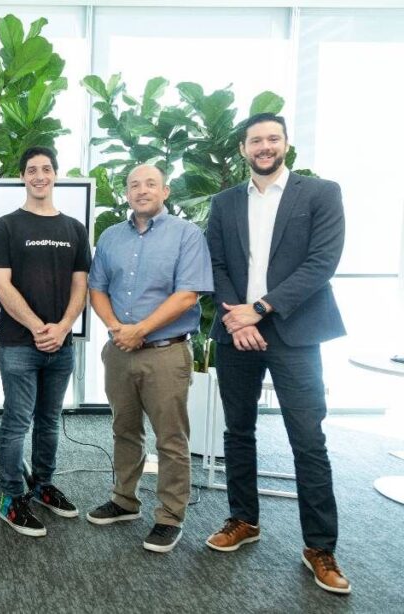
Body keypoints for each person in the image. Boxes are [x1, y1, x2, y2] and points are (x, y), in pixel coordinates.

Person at [205, 112, 351, 594]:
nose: (264, 147)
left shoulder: (320, 193)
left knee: (307, 439)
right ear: (243, 149)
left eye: (272, 139)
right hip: (236, 333)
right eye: (255, 141)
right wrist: (236, 316)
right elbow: (216, 263)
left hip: (295, 333)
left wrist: (260, 309)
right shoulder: (225, 201)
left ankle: (320, 547)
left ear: (285, 143)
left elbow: (321, 263)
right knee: (237, 431)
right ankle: (243, 520)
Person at [86, 164, 213, 553]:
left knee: (171, 438)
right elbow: (97, 288)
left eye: (150, 184)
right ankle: (124, 500)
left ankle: (169, 517)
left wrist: (139, 329)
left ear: (165, 191)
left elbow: (187, 294)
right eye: (134, 185)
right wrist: (116, 328)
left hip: (165, 352)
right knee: (124, 429)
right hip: (119, 351)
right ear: (127, 193)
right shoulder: (110, 237)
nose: (142, 190)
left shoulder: (187, 235)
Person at [0, 146, 91, 537]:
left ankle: (43, 485)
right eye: (32, 170)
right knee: (17, 421)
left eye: (46, 169)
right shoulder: (6, 226)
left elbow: (81, 285)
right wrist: (36, 327)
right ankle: (12, 497)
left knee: (49, 422)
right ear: (22, 176)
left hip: (61, 344)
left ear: (55, 174)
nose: (39, 176)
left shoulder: (74, 229)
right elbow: (1, 285)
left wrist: (63, 327)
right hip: (18, 344)